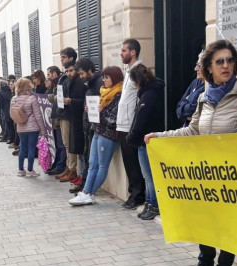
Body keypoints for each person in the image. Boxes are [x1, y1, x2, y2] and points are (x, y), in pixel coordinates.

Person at [145, 40, 237, 266]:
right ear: (208, 67)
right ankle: (205, 263)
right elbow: (193, 131)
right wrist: (160, 136)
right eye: (219, 61)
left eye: (230, 60)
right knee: (206, 221)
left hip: (234, 178)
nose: (226, 65)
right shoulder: (203, 99)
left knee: (229, 225)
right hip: (206, 175)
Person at [69, 66, 124, 205]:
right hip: (98, 130)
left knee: (102, 165)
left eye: (107, 77)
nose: (104, 80)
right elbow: (101, 113)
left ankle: (89, 192)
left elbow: (114, 118)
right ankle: (87, 192)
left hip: (108, 134)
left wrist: (99, 111)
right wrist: (92, 110)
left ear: (115, 78)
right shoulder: (104, 92)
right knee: (92, 164)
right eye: (103, 77)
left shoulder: (118, 94)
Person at [126, 64, 165, 220]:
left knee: (149, 175)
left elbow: (141, 119)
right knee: (148, 175)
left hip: (147, 140)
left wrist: (132, 136)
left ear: (138, 81)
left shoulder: (148, 95)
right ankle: (150, 202)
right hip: (147, 138)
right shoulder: (151, 91)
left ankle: (153, 204)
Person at [116, 38, 146, 210]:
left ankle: (138, 195)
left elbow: (142, 98)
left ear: (133, 52)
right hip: (122, 124)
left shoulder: (139, 71)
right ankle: (132, 193)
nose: (121, 53)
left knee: (134, 164)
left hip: (130, 125)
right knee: (128, 163)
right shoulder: (128, 71)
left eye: (124, 50)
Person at [72, 57, 103, 193]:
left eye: (82, 73)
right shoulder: (89, 83)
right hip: (88, 124)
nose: (80, 77)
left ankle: (87, 187)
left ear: (90, 70)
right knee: (86, 155)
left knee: (91, 159)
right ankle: (84, 184)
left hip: (94, 126)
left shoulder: (98, 83)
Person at [11, 77, 46, 177]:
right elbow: (38, 115)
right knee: (31, 149)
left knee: (22, 148)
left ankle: (21, 170)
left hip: (20, 127)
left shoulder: (14, 99)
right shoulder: (32, 98)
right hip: (32, 127)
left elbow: (12, 114)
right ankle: (30, 170)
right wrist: (42, 130)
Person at [54, 47, 78, 182]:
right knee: (65, 143)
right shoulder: (64, 76)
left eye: (63, 57)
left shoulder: (74, 77)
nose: (61, 60)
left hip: (70, 114)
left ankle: (72, 169)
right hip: (62, 112)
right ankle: (68, 168)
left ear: (71, 58)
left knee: (69, 143)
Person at [61, 61, 87, 183]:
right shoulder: (68, 80)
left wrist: (71, 101)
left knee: (80, 149)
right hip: (71, 115)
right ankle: (76, 173)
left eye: (71, 70)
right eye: (67, 71)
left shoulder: (81, 82)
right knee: (70, 145)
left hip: (80, 118)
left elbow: (84, 100)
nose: (69, 73)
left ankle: (78, 174)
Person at [46, 66, 67, 175]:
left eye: (49, 74)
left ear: (54, 73)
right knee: (57, 145)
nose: (47, 77)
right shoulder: (55, 83)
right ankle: (56, 164)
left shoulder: (61, 82)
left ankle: (60, 166)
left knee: (61, 145)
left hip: (59, 118)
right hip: (55, 117)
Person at [176, 53, 205, 126]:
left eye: (199, 66)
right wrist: (186, 113)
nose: (195, 69)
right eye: (196, 65)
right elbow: (179, 106)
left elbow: (194, 110)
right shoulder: (195, 82)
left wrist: (186, 104)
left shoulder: (209, 87)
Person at [0, 80, 15, 146]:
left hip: (6, 110)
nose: (10, 86)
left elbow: (0, 103)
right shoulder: (9, 91)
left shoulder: (0, 92)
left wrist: (0, 110)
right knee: (11, 126)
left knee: (9, 125)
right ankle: (11, 139)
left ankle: (11, 139)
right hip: (11, 109)